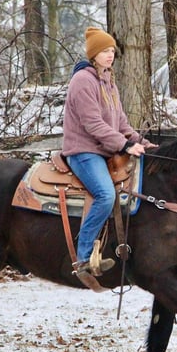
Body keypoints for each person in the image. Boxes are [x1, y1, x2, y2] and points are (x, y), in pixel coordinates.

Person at [62, 26, 156, 278]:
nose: (109, 55)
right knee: (105, 195)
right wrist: (125, 145)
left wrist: (139, 141)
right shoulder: (83, 81)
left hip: (105, 150)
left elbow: (121, 123)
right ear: (93, 55)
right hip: (84, 151)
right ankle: (82, 257)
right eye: (104, 50)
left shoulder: (109, 81)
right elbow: (93, 124)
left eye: (112, 50)